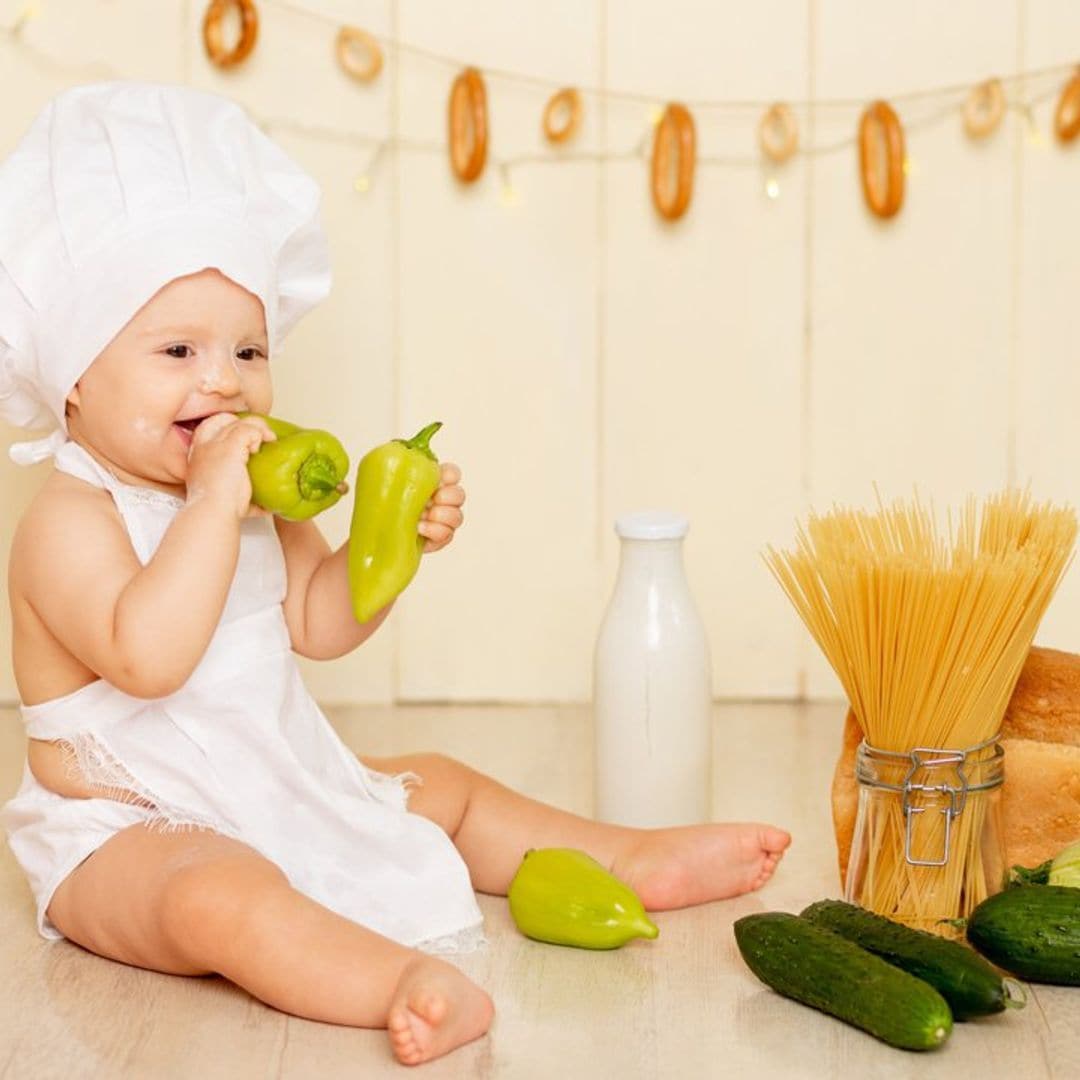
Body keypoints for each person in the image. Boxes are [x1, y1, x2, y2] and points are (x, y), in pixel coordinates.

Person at [0, 83, 791, 1067]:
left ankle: (625, 854)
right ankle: (395, 984)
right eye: (177, 350)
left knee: (446, 788)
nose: (224, 380)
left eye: (248, 348)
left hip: (272, 781)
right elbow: (148, 658)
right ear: (75, 373)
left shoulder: (248, 491)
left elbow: (320, 620)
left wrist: (395, 540)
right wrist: (211, 505)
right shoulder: (69, 522)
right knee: (216, 896)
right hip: (127, 833)